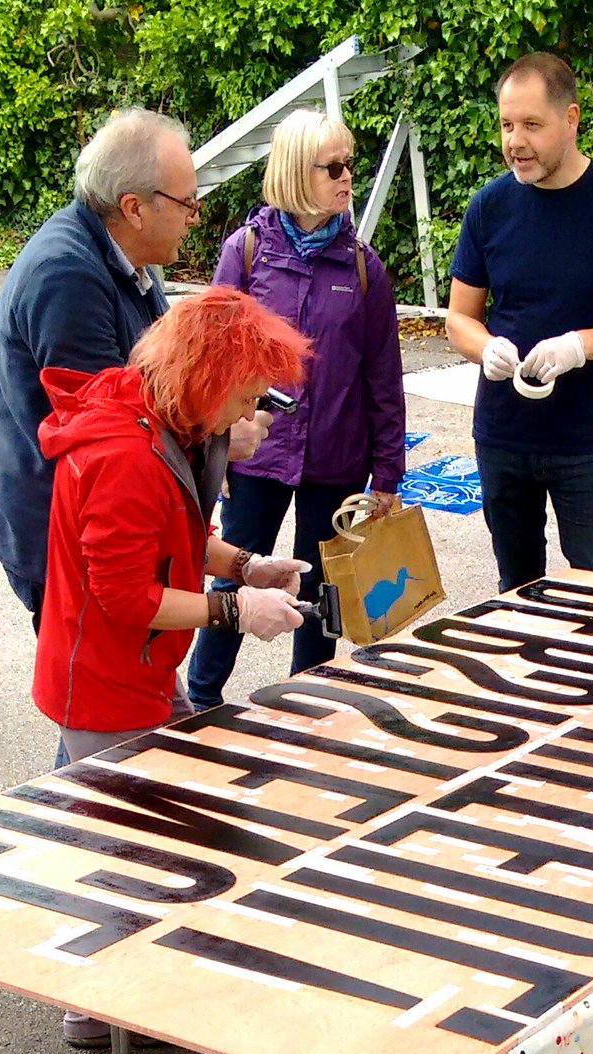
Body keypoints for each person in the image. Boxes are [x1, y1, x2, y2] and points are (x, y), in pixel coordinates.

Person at [34, 285, 310, 1046]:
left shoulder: (157, 421)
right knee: (129, 849)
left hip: (137, 670)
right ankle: (96, 1010)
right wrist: (230, 609)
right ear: (210, 382)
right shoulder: (124, 454)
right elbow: (124, 594)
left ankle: (135, 990)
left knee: (155, 827)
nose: (250, 418)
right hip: (104, 677)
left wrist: (244, 564)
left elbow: (177, 538)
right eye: (247, 398)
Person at [0, 108, 271, 633]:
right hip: (70, 539)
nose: (196, 215)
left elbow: (163, 384)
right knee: (110, 700)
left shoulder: (123, 257)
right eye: (187, 201)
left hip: (102, 527)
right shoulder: (66, 277)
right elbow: (114, 435)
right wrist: (219, 432)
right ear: (133, 207)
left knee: (148, 696)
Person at [186, 107, 405, 707]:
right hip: (256, 457)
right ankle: (199, 701)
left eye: (350, 165)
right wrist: (215, 450)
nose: (346, 177)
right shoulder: (247, 252)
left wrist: (388, 474)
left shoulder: (365, 269)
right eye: (332, 166)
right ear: (292, 173)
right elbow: (210, 359)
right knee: (234, 573)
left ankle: (307, 704)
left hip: (336, 460)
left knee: (320, 590)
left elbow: (384, 380)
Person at [446, 52, 593, 594]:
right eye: (506, 125)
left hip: (581, 438)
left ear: (571, 120)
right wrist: (486, 347)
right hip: (502, 434)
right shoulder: (489, 207)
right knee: (515, 589)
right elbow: (458, 319)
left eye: (531, 125)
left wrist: (579, 346)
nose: (515, 141)